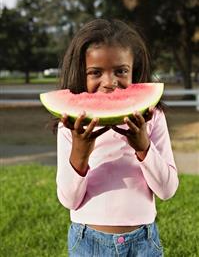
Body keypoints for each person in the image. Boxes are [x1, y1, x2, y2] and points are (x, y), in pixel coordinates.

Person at [55, 19, 179, 257]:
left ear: (136, 70)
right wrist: (80, 153)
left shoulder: (152, 118)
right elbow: (69, 200)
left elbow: (167, 190)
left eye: (121, 71)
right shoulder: (71, 126)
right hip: (87, 243)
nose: (109, 83)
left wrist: (144, 147)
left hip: (143, 242)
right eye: (95, 72)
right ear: (80, 73)